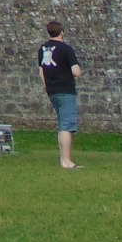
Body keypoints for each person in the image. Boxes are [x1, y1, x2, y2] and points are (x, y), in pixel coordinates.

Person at [37, 20, 82, 168]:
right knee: (67, 125)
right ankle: (66, 160)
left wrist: (48, 87)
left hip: (52, 91)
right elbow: (76, 71)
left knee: (62, 123)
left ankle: (64, 157)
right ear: (62, 32)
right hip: (66, 90)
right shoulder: (66, 49)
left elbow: (41, 71)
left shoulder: (43, 49)